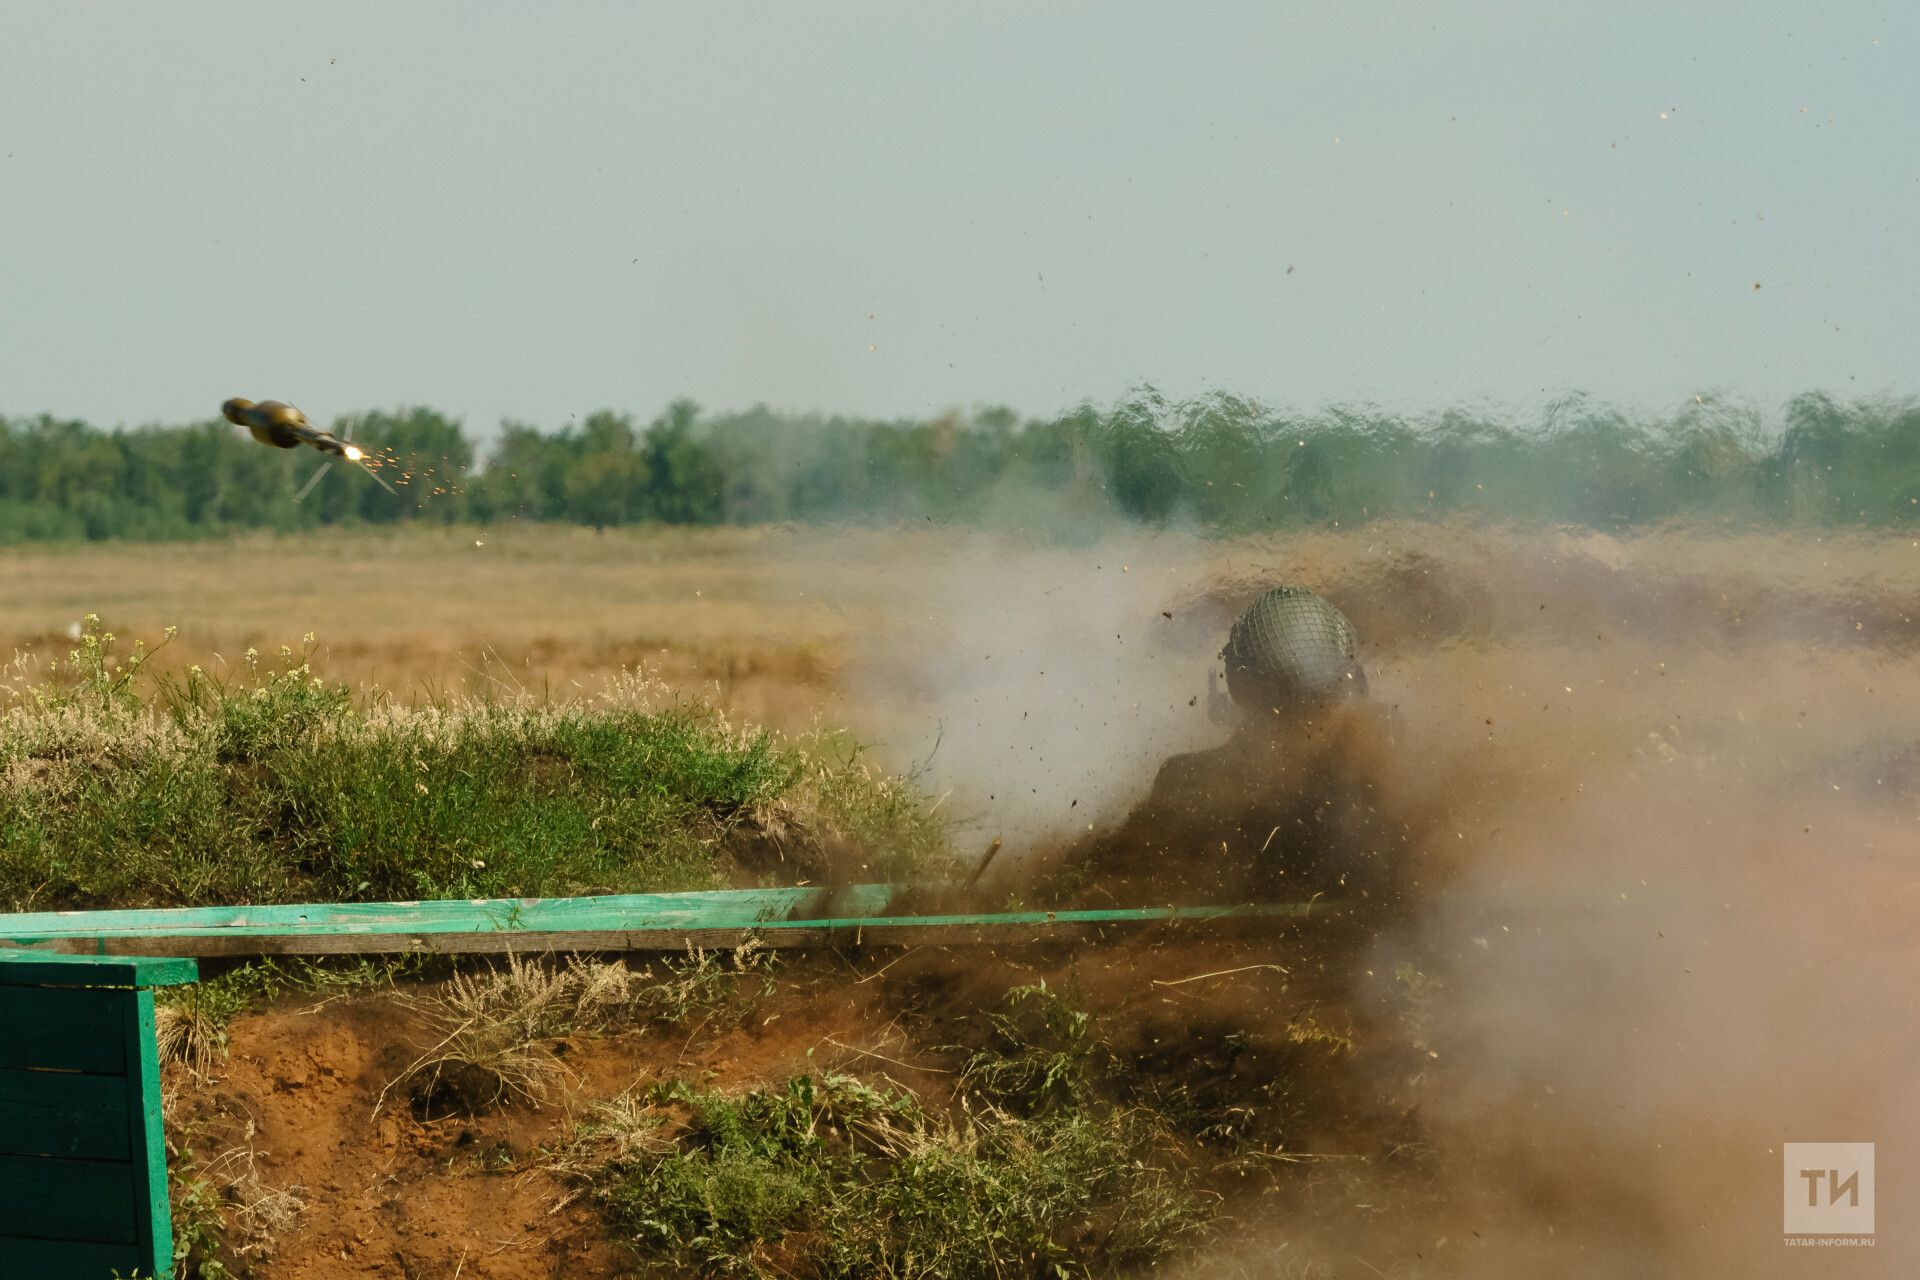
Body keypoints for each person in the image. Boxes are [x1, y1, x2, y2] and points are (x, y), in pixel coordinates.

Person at [1070, 586, 1404, 904]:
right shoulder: (1380, 772)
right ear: (1346, 681)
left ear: (1239, 684)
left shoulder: (1187, 782)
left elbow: (1125, 882)